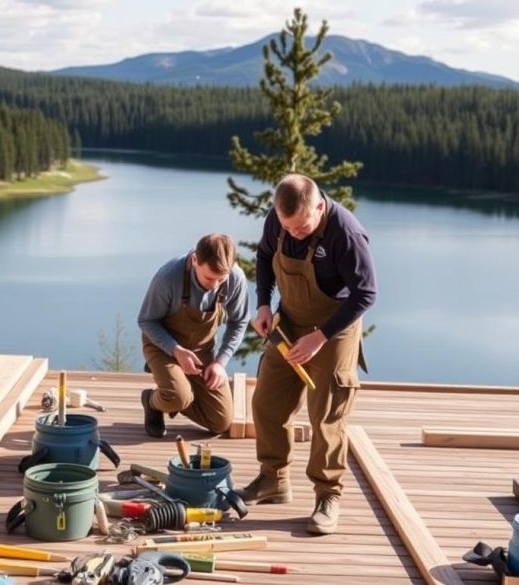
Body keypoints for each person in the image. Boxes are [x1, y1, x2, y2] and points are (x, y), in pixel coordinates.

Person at [236, 174, 377, 535]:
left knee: (326, 415)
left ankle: (328, 494)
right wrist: (264, 304)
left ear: (319, 205)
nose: (294, 233)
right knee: (267, 402)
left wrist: (321, 337)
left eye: (302, 227)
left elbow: (366, 294)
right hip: (292, 319)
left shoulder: (345, 233)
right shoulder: (279, 220)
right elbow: (265, 256)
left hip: (336, 328)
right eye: (288, 227)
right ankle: (274, 479)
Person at [138, 233, 249, 438]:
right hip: (162, 346)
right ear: (195, 260)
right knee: (179, 397)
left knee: (221, 422)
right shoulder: (169, 277)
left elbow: (239, 322)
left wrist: (220, 362)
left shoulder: (236, 278)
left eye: (221, 279)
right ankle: (153, 401)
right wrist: (176, 351)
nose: (215, 285)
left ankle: (174, 387)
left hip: (201, 351)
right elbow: (146, 321)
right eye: (209, 277)